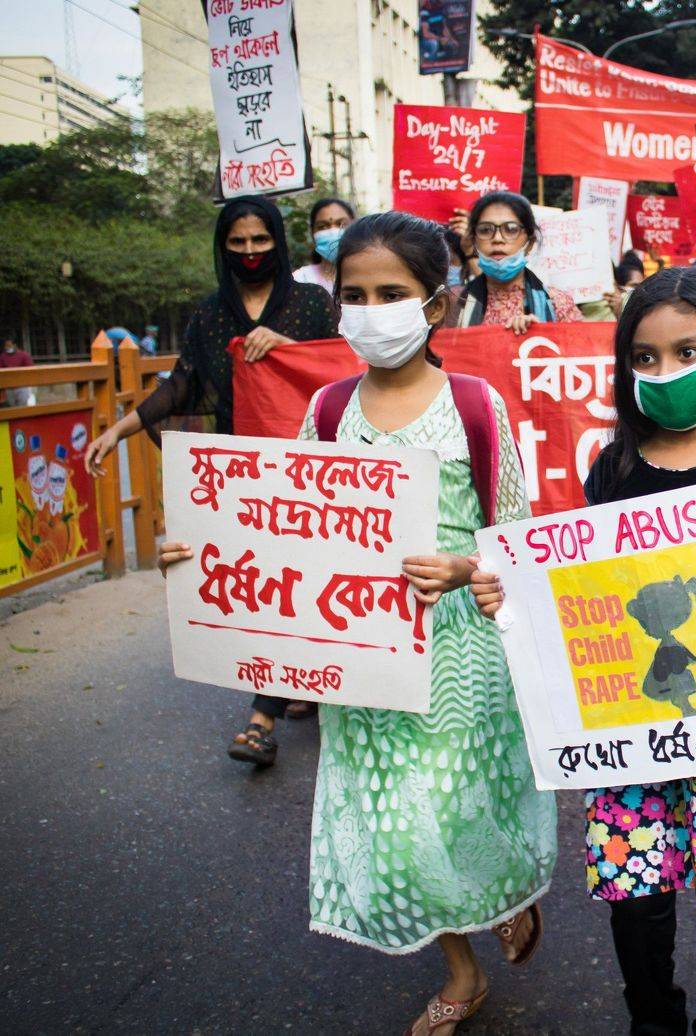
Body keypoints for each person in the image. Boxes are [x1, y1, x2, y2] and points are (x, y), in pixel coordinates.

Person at [164, 211, 558, 1034]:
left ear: (435, 306)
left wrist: (463, 569)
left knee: (467, 807)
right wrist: (201, 552)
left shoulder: (477, 406)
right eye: (355, 296)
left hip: (461, 658)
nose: (371, 311)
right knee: (401, 827)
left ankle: (506, 895)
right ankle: (462, 970)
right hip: (364, 664)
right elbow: (282, 529)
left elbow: (516, 540)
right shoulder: (329, 410)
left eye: (392, 294)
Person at [474, 266, 696, 1035]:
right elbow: (579, 594)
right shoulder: (614, 470)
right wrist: (513, 600)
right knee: (636, 908)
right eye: (645, 357)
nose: (664, 372)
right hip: (633, 738)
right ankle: (654, 1023)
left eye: (686, 352)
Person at [84, 195, 338, 764]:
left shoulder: (312, 303)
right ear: (223, 247)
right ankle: (266, 711)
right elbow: (182, 386)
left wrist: (288, 349)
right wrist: (118, 430)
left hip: (312, 471)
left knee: (309, 577)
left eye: (260, 240)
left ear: (278, 241)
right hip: (244, 475)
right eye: (237, 242)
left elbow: (344, 366)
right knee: (268, 584)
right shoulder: (209, 313)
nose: (250, 251)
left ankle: (287, 693)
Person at [451, 190, 583, 331]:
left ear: (530, 243)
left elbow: (583, 344)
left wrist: (542, 335)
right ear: (474, 240)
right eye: (485, 230)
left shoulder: (558, 304)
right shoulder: (453, 302)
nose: (497, 239)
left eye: (511, 229)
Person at [293, 197, 357, 295]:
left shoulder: (369, 274)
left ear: (355, 227)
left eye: (341, 224)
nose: (332, 231)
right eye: (322, 226)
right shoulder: (301, 279)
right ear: (312, 233)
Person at [1, 336, 36, 408]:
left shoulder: (24, 355)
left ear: (15, 345)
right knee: (12, 405)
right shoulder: (2, 357)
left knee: (23, 405)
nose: (7, 348)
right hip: (9, 385)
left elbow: (30, 369)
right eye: (6, 346)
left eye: (9, 345)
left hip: (22, 384)